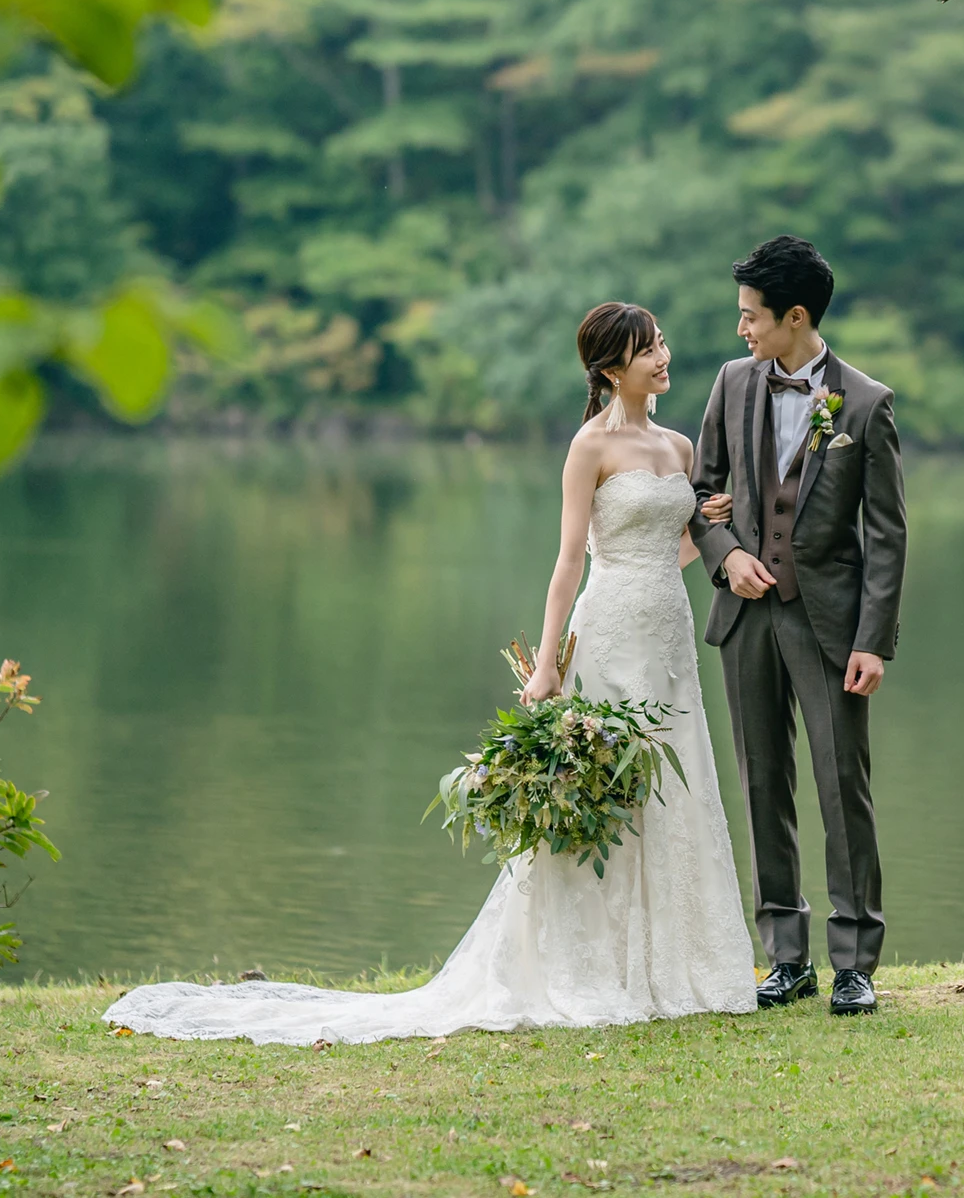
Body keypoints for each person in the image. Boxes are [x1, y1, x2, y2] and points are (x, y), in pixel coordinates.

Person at [101, 303, 756, 1044]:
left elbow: (669, 550)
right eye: (647, 349)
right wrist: (547, 668)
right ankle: (589, 965)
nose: (663, 357)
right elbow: (572, 561)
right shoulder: (587, 448)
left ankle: (673, 968)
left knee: (675, 786)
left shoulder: (677, 445)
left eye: (663, 342)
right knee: (605, 791)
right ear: (612, 369)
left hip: (666, 636)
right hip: (605, 635)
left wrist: (707, 535)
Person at [688, 235, 906, 1017]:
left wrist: (873, 640)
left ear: (796, 316)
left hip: (831, 627)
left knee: (841, 785)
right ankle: (786, 956)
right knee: (760, 781)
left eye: (752, 316)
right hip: (746, 617)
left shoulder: (867, 403)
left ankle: (854, 962)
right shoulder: (730, 383)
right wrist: (727, 557)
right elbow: (701, 490)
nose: (741, 328)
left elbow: (886, 534)